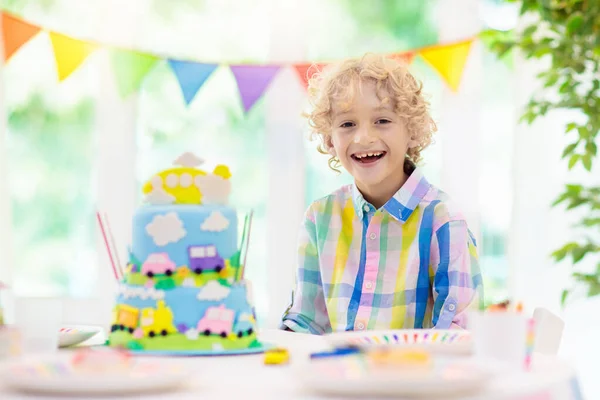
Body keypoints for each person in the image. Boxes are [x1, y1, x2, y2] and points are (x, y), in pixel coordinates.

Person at [280, 53, 483, 334]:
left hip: (415, 376)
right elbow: (306, 321)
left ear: (411, 130)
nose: (363, 137)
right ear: (330, 139)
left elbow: (458, 332)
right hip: (336, 376)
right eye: (347, 124)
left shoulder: (443, 221)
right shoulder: (319, 218)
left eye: (382, 120)